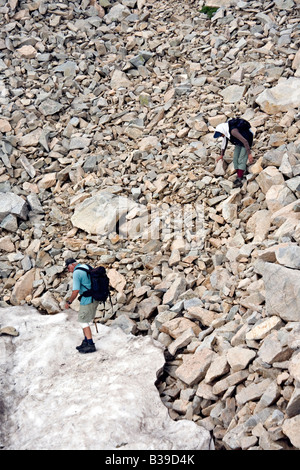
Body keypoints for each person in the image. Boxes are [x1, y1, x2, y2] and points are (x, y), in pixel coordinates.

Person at [64, 258, 99, 354]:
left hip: (88, 299)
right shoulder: (86, 266)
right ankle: (86, 341)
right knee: (84, 320)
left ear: (72, 265)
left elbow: (75, 291)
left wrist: (69, 302)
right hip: (94, 297)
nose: (68, 270)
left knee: (83, 321)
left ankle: (90, 344)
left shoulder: (77, 273)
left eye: (68, 267)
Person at [214, 118, 254, 187]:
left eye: (220, 134)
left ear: (222, 131)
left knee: (241, 159)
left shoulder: (233, 131)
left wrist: (249, 154)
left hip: (246, 141)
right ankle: (240, 172)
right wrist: (221, 155)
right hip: (238, 142)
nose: (221, 136)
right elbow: (224, 143)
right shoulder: (226, 132)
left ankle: (239, 177)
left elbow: (245, 141)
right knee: (235, 159)